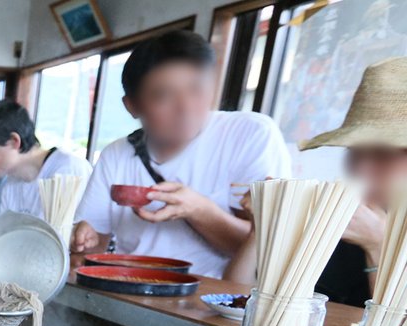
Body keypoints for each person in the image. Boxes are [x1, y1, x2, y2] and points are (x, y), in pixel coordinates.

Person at [70, 30, 291, 278]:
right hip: (128, 292)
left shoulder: (250, 135)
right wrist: (83, 241)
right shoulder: (116, 155)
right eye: (163, 96)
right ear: (132, 106)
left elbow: (268, 247)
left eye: (196, 89)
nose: (185, 107)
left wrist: (197, 210)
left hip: (211, 303)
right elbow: (92, 246)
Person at [224, 57, 407, 306]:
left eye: (383, 153)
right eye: (354, 151)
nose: (361, 168)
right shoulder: (335, 219)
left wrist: (379, 246)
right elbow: (238, 298)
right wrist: (263, 225)